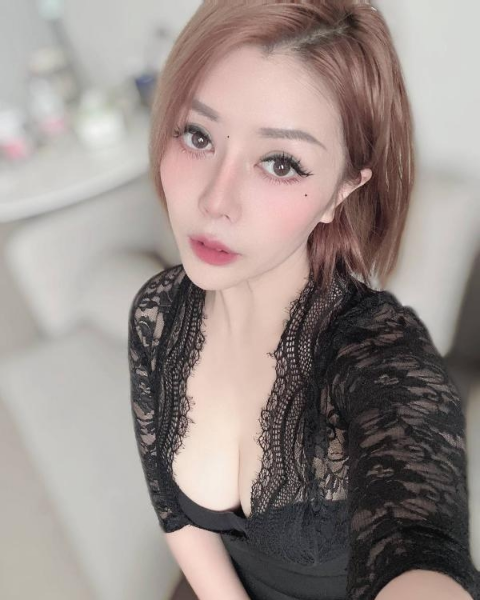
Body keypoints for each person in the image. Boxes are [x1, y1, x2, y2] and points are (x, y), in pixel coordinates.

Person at [128, 1, 480, 599]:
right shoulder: (157, 312)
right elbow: (174, 510)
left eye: (280, 163)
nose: (216, 201)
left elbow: (420, 542)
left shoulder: (382, 356)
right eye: (198, 135)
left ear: (341, 191)